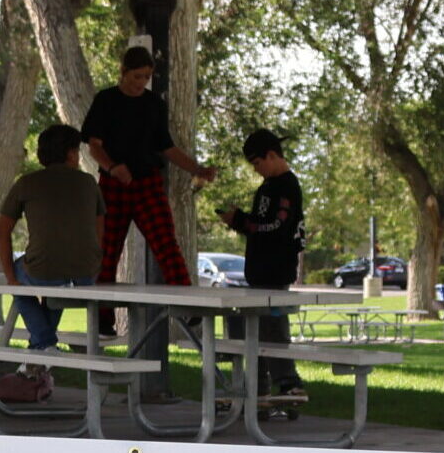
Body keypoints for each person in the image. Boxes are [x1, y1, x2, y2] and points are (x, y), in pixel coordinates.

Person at [81, 45, 216, 289]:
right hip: (113, 184)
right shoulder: (106, 100)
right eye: (137, 76)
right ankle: (101, 318)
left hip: (148, 184)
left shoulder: (154, 104)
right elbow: (94, 145)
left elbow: (167, 147)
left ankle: (187, 306)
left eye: (146, 77)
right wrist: (113, 167)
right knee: (107, 250)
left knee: (166, 243)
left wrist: (197, 169)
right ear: (123, 71)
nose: (141, 82)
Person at [0, 124, 108, 400]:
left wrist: (10, 278)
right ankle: (37, 366)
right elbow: (100, 232)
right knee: (56, 285)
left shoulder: (27, 182)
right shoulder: (88, 183)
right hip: (86, 272)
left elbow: (1, 232)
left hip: (44, 270)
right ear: (71, 154)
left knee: (19, 281)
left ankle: (44, 345)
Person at [218, 128, 307, 414]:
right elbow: (260, 224)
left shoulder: (287, 187)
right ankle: (258, 390)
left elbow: (276, 226)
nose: (257, 170)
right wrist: (241, 221)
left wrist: (242, 222)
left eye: (257, 164)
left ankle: (289, 383)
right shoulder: (267, 188)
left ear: (272, 155)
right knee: (251, 332)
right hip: (258, 272)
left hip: (276, 271)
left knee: (273, 331)